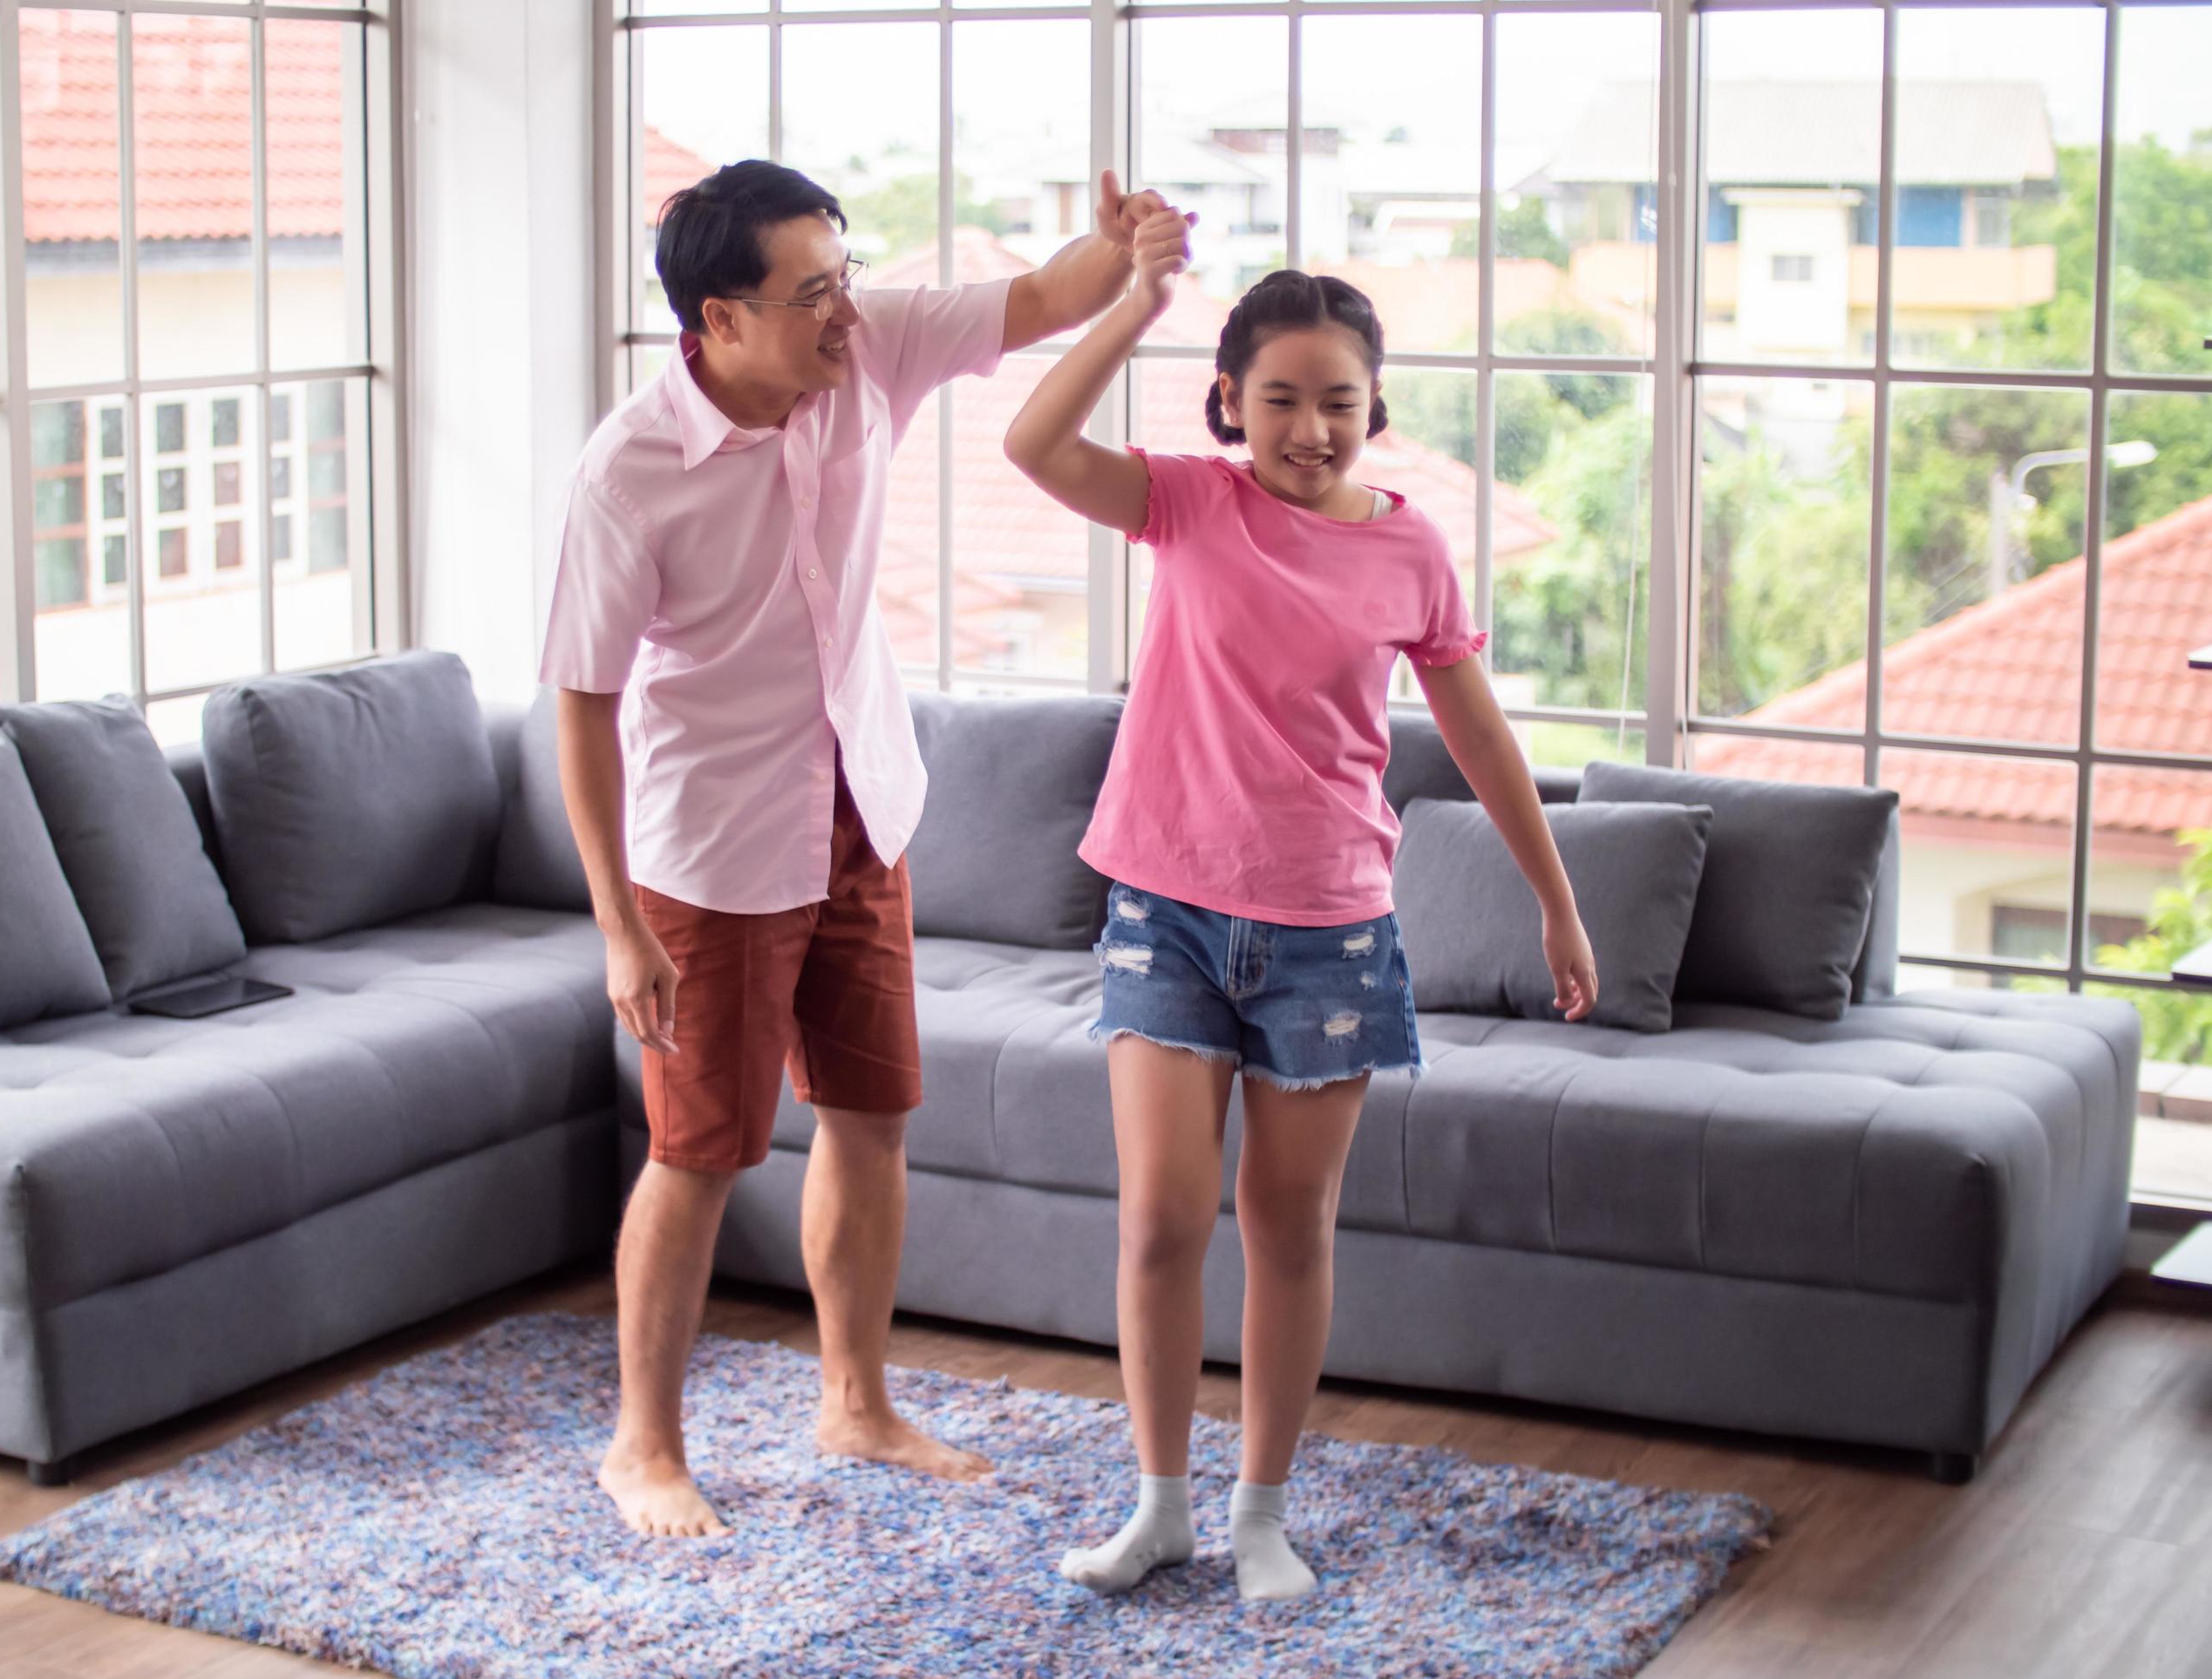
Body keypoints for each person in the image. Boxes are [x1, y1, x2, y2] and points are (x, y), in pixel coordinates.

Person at [541, 159, 1174, 1540]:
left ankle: (857, 1400)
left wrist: (1116, 248)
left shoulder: (866, 352)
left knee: (872, 1116)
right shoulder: (628, 475)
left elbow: (1032, 301)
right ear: (719, 320)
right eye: (813, 290)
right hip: (707, 850)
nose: (847, 309)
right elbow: (581, 708)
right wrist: (615, 923)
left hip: (859, 807)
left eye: (847, 274)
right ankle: (643, 1445)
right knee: (702, 1150)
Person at [1003, 213, 1602, 1601]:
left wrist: (1556, 904)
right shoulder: (1189, 501)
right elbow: (1035, 444)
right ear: (1230, 403)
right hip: (1166, 906)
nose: (1312, 427)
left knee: (1289, 1228)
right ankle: (1159, 1508)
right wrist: (1133, 307)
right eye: (1280, 398)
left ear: (1373, 408)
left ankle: (1261, 1513)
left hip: (1328, 922)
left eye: (1339, 401)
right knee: (1158, 1218)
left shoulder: (1411, 554)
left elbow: (1483, 734)